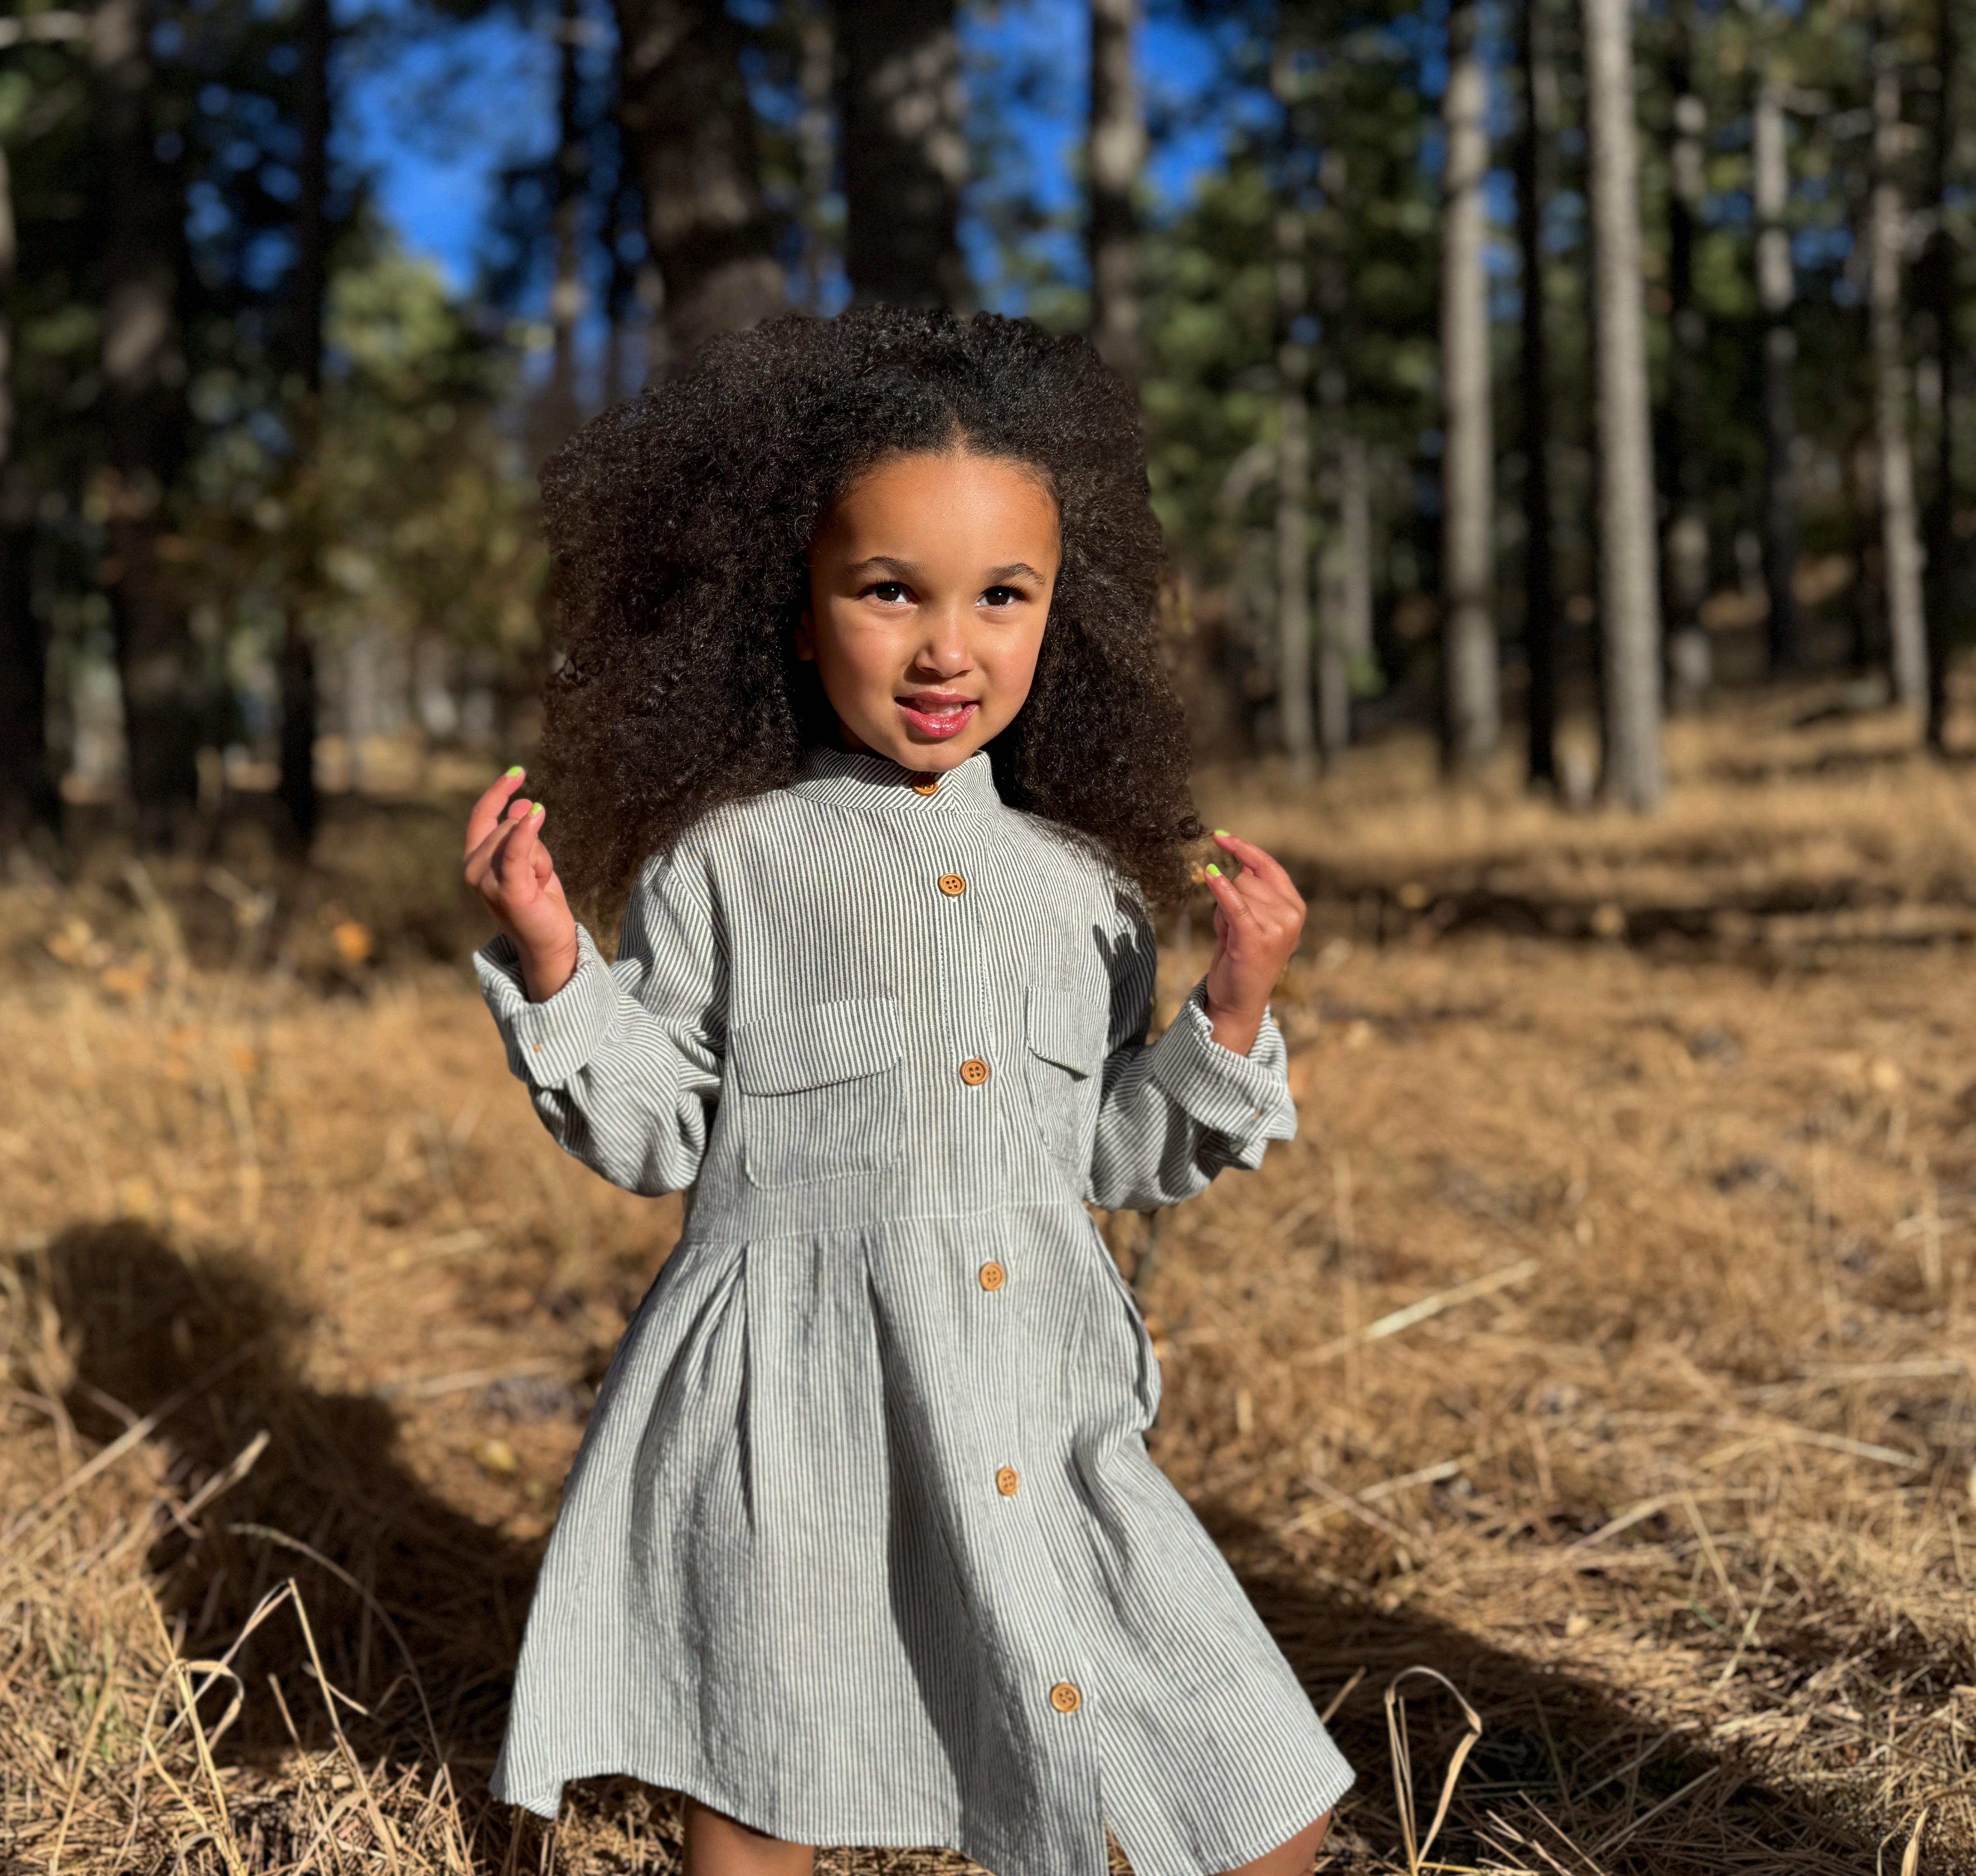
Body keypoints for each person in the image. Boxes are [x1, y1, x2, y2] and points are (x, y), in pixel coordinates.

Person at [461, 308, 1353, 1876]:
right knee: (768, 1790)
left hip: (1039, 1405)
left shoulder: (1085, 888)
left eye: (1003, 595)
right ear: (798, 614)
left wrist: (1231, 1005)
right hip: (794, 1416)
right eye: (890, 591)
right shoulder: (730, 861)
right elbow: (661, 1130)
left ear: (1060, 612)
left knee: (1270, 1801)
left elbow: (1117, 1154)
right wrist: (553, 958)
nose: (950, 649)